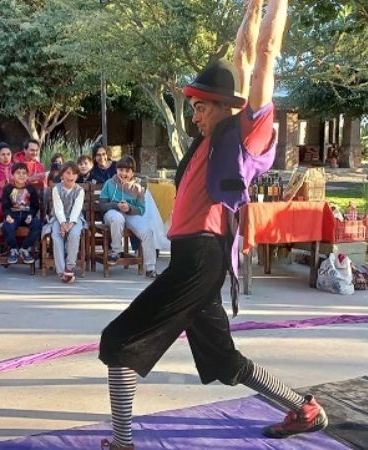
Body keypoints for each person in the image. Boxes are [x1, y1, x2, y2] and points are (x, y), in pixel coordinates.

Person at [98, 2, 327, 449]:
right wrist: (252, 8)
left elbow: (264, 56)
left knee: (120, 342)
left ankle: (122, 444)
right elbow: (243, 53)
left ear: (226, 107)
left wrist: (276, 5)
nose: (196, 117)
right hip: (192, 259)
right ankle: (304, 409)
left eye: (202, 108)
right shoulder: (210, 137)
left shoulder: (247, 133)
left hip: (201, 259)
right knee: (225, 362)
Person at [99, 156, 156, 277]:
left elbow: (141, 210)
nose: (123, 173)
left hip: (130, 214)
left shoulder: (138, 188)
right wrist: (116, 205)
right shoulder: (109, 184)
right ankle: (116, 252)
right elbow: (102, 206)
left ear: (132, 173)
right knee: (117, 218)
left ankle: (150, 268)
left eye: (127, 171)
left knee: (147, 231)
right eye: (121, 170)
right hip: (112, 213)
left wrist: (129, 208)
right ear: (116, 170)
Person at [48, 161, 85, 283]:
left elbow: (77, 209)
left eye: (74, 174)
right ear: (62, 175)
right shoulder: (56, 189)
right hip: (59, 219)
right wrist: (63, 224)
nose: (71, 176)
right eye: (68, 173)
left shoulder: (79, 190)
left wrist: (70, 224)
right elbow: (58, 208)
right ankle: (61, 270)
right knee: (57, 237)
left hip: (75, 219)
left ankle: (69, 266)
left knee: (74, 234)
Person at [1, 162, 41, 265]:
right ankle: (14, 249)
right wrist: (8, 215)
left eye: (24, 173)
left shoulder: (31, 188)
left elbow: (35, 205)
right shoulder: (8, 188)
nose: (21, 175)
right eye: (18, 173)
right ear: (12, 175)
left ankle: (24, 249)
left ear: (27, 175)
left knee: (37, 225)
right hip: (13, 215)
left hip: (27, 214)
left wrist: (31, 215)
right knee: (7, 227)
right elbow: (5, 205)